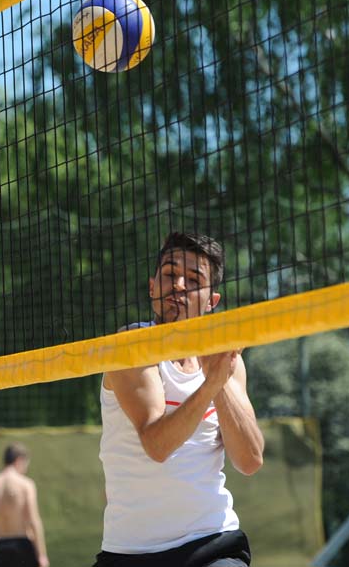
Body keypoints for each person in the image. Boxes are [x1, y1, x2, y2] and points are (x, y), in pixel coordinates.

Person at [94, 232, 265, 567]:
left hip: (212, 543)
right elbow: (158, 445)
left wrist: (220, 377)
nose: (180, 285)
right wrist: (211, 383)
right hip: (131, 552)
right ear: (152, 286)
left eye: (194, 279)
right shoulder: (130, 346)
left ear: (211, 300)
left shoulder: (227, 360)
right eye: (171, 275)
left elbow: (249, 460)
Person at [0, 443, 49, 567]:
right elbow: (33, 520)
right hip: (22, 546)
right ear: (19, 460)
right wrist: (42, 555)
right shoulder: (26, 484)